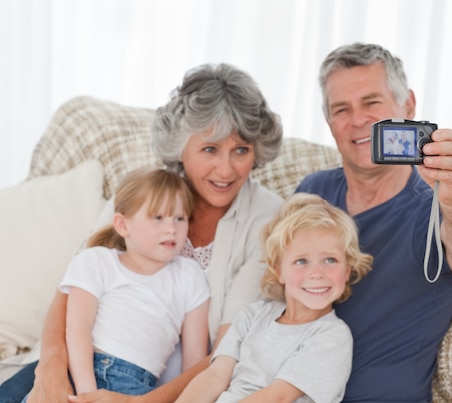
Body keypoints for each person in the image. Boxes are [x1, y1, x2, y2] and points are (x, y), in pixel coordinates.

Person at [0, 63, 284, 403]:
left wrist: (141, 402)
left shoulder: (268, 219)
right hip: (74, 363)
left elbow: (225, 351)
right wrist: (50, 373)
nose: (226, 169)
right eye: (210, 149)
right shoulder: (143, 191)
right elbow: (73, 287)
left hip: (154, 388)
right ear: (181, 148)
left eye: (241, 150)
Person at [296, 42, 452, 402]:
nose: (358, 120)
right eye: (342, 109)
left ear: (408, 106)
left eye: (372, 103)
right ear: (329, 123)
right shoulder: (312, 192)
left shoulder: (436, 205)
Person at [21, 168, 210, 400]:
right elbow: (78, 329)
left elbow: (194, 363)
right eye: (158, 217)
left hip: (137, 386)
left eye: (180, 218)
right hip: (79, 370)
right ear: (122, 225)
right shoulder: (97, 260)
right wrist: (88, 393)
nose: (171, 228)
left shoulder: (190, 275)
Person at [175, 193, 373, 403]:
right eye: (301, 261)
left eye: (330, 260)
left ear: (346, 271)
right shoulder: (252, 316)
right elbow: (214, 376)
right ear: (279, 271)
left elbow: (279, 397)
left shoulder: (332, 335)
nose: (317, 273)